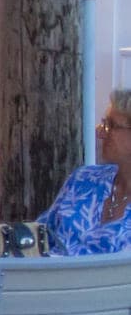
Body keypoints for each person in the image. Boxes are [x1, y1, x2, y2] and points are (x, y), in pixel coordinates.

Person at [37, 88, 131, 256]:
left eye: (110, 125)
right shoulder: (84, 180)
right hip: (44, 278)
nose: (101, 133)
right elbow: (39, 234)